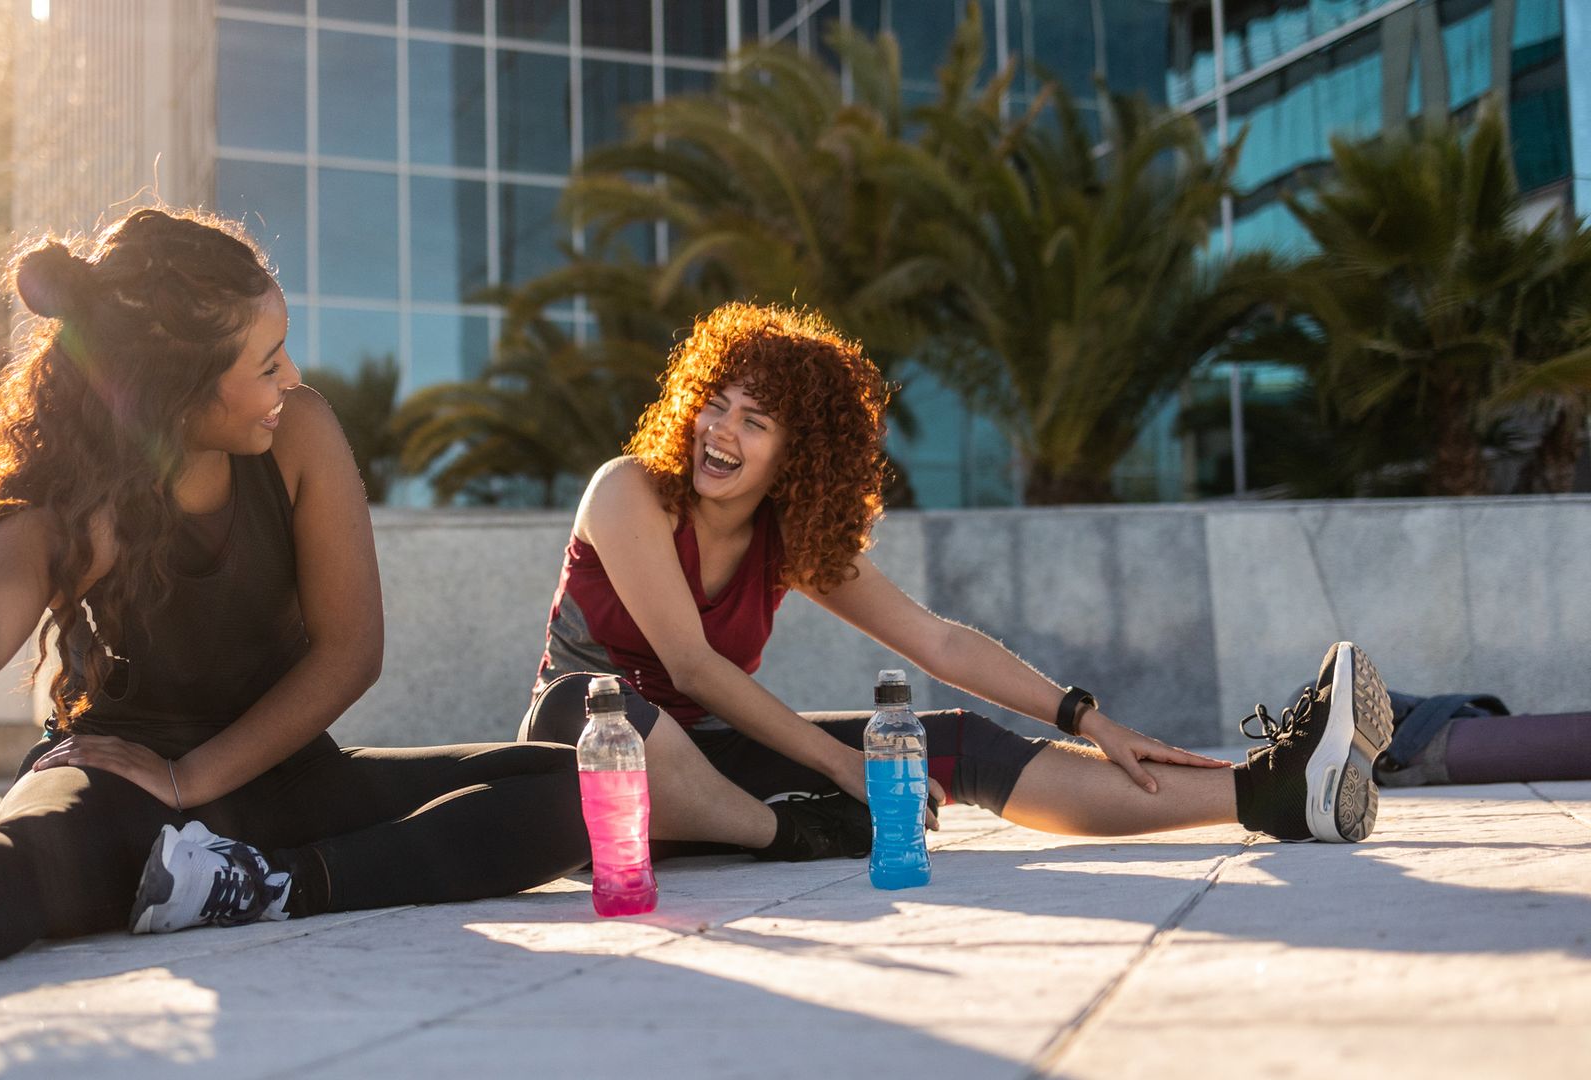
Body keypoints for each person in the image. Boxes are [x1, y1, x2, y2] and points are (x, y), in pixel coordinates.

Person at [0, 208, 596, 1013]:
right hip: (117, 777)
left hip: (280, 778)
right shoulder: (73, 499)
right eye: (264, 363)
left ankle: (266, 886)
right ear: (181, 384)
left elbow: (351, 651)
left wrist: (192, 784)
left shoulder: (300, 435)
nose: (288, 378)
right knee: (39, 859)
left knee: (573, 790)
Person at [518, 302, 1396, 862]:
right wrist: (841, 768)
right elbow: (693, 663)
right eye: (716, 402)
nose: (721, 431)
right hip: (584, 738)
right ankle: (787, 833)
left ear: (799, 455)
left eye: (756, 421)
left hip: (699, 756)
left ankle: (1276, 791)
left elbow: (933, 639)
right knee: (634, 725)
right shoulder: (629, 489)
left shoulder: (786, 534)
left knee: (949, 742)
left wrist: (1086, 715)